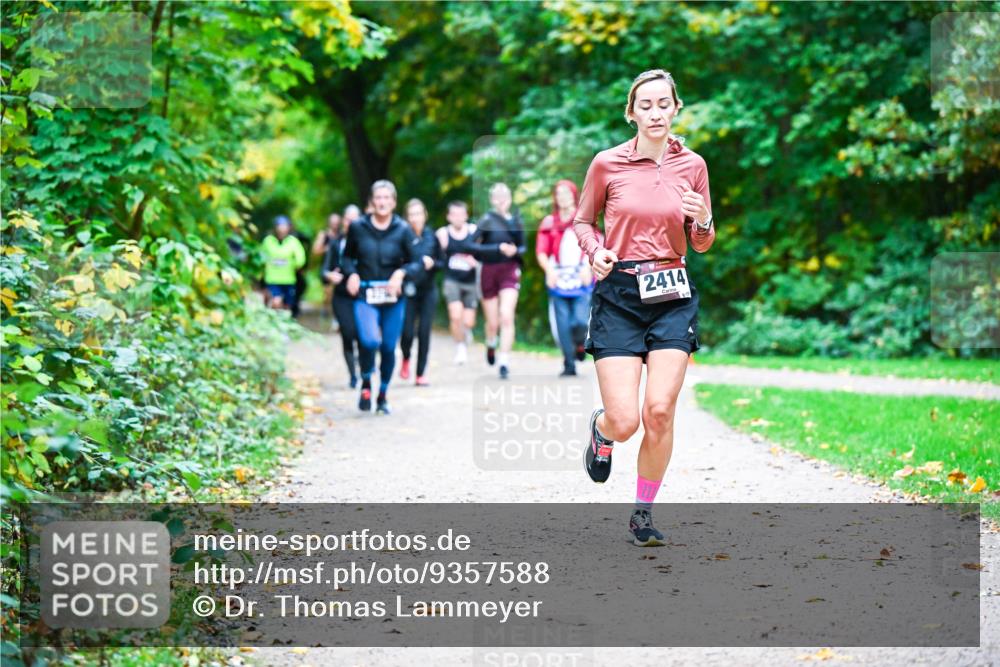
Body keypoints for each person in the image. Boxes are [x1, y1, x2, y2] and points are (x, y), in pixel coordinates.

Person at [573, 69, 715, 547]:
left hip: (672, 293)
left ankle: (643, 512)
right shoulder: (607, 163)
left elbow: (702, 242)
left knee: (658, 411)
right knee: (626, 420)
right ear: (631, 113)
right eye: (645, 105)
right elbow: (583, 221)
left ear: (676, 108)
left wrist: (704, 219)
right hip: (619, 294)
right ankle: (602, 431)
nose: (655, 113)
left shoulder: (693, 165)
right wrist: (595, 251)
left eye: (663, 104)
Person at [341, 181, 424, 415]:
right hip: (366, 295)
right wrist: (351, 274)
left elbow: (417, 262)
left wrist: (401, 273)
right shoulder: (357, 227)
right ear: (371, 201)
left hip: (392, 298)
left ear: (394, 202)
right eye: (378, 197)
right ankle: (367, 381)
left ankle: (383, 394)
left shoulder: (403, 229)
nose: (382, 202)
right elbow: (346, 258)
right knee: (369, 341)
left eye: (387, 198)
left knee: (388, 346)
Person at [536, 179, 596, 377]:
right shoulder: (549, 222)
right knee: (562, 324)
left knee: (580, 321)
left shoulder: (584, 219)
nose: (562, 197)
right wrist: (549, 271)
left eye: (566, 193)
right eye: (559, 193)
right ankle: (568, 364)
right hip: (558, 279)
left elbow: (594, 244)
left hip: (581, 278)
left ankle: (579, 343)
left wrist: (589, 267)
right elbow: (541, 251)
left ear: (574, 196)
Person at [470, 183, 525, 380]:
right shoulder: (486, 220)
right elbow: (470, 246)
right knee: (493, 322)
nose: (502, 201)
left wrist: (514, 250)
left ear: (510, 199)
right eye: (498, 197)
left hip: (509, 270)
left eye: (505, 197)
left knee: (506, 315)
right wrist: (496, 248)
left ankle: (504, 361)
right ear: (492, 200)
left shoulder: (516, 221)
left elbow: (523, 247)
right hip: (488, 271)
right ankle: (491, 342)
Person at [399, 198, 443, 386]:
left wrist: (434, 264)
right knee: (407, 332)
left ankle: (420, 374)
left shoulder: (432, 236)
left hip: (428, 291)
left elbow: (443, 262)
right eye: (411, 214)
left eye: (418, 214)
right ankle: (406, 357)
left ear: (424, 215)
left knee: (424, 331)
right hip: (408, 291)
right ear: (407, 217)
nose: (415, 218)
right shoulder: (403, 236)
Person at [321, 205, 362, 387]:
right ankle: (353, 375)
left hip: (362, 295)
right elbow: (324, 271)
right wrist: (330, 275)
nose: (351, 222)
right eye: (348, 219)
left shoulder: (367, 241)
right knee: (347, 333)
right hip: (341, 295)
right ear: (343, 221)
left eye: (355, 218)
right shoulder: (336, 243)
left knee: (363, 335)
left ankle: (364, 368)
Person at [436, 201, 479, 365]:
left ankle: (466, 331)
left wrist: (476, 261)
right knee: (455, 316)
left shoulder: (474, 231)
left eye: (461, 214)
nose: (458, 218)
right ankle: (460, 348)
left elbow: (484, 252)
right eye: (454, 214)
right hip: (452, 280)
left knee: (468, 321)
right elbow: (437, 256)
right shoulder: (443, 234)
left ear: (466, 216)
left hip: (471, 281)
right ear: (448, 217)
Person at [261, 215, 306, 311]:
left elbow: (300, 259)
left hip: (288, 280)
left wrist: (292, 265)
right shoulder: (268, 241)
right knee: (276, 302)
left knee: (287, 306)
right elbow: (261, 257)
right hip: (272, 279)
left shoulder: (293, 242)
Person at [314, 213, 343, 320]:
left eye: (336, 222)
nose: (335, 224)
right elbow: (315, 251)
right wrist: (326, 249)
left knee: (337, 292)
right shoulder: (324, 234)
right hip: (327, 266)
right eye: (333, 222)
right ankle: (327, 310)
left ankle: (336, 315)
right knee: (328, 293)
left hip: (339, 266)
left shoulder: (342, 235)